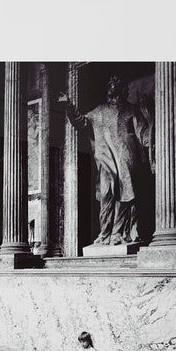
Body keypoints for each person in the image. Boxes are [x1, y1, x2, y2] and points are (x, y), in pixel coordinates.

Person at [57, 74, 151, 246]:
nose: (111, 89)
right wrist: (69, 106)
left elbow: (142, 131)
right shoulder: (98, 111)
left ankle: (118, 233)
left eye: (115, 86)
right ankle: (105, 233)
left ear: (123, 90)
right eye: (110, 86)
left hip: (126, 155)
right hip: (106, 158)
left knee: (124, 194)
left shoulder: (132, 109)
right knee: (106, 195)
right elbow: (81, 122)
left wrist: (149, 141)